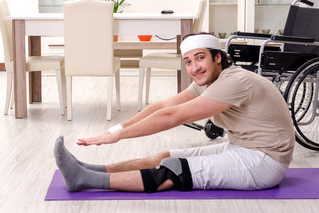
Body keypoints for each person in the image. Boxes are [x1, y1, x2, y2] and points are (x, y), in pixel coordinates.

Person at [54, 33, 295, 193]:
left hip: (265, 162)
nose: (194, 68)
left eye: (200, 58)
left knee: (173, 169)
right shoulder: (208, 81)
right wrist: (117, 128)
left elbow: (172, 117)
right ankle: (86, 168)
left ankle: (84, 180)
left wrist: (118, 137)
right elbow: (161, 107)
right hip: (242, 148)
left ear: (218, 57)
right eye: (188, 62)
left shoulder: (235, 81)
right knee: (164, 156)